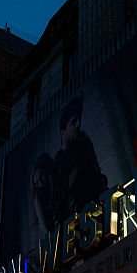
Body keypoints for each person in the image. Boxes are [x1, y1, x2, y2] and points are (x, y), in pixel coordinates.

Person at [32, 94, 107, 235]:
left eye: (78, 120)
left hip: (100, 218)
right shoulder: (56, 168)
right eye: (73, 122)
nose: (78, 124)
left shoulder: (84, 144)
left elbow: (97, 175)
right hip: (79, 231)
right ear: (63, 132)